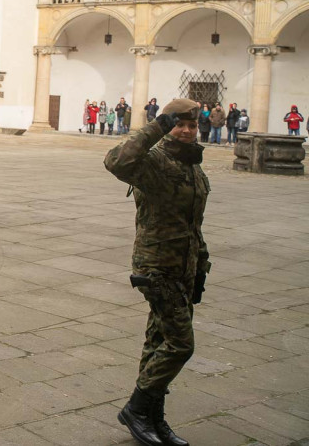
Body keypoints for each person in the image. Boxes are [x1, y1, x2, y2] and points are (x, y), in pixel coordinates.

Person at [104, 98, 210, 446]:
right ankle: (136, 408)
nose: (186, 130)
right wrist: (157, 125)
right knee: (181, 344)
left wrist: (200, 267)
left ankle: (154, 417)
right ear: (169, 124)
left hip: (183, 268)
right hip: (157, 267)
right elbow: (116, 161)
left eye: (191, 126)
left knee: (157, 344)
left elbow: (193, 223)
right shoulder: (155, 161)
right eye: (179, 124)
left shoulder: (193, 165)